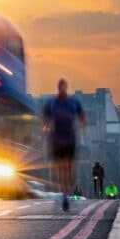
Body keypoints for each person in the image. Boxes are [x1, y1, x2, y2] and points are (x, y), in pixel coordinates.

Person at [42, 78, 86, 212]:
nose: (62, 89)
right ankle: (65, 195)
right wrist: (45, 128)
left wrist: (82, 123)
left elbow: (81, 115)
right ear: (58, 88)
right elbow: (46, 117)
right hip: (57, 139)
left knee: (68, 167)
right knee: (60, 168)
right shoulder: (52, 103)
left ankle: (67, 191)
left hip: (69, 138)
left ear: (65, 87)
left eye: (63, 87)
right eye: (60, 87)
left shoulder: (73, 102)